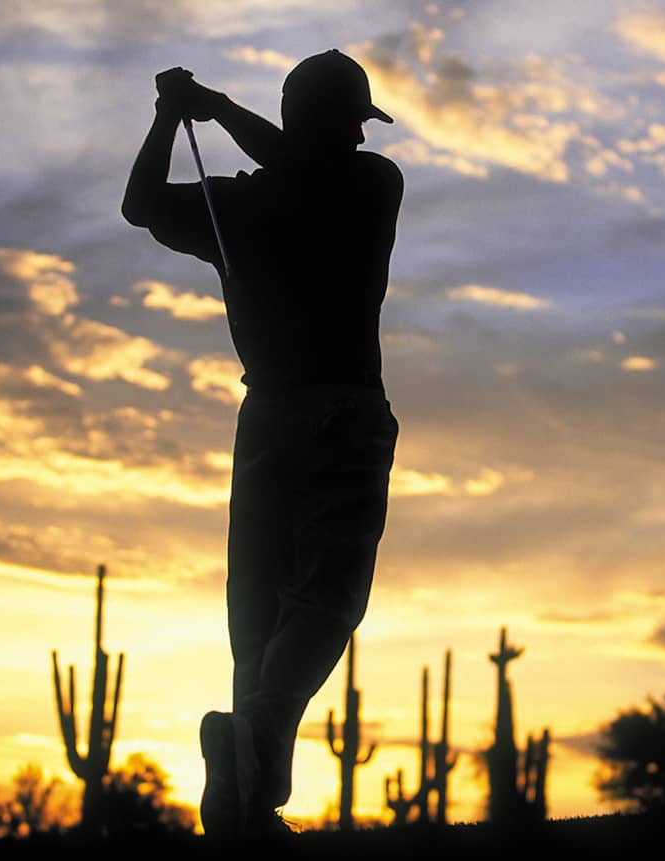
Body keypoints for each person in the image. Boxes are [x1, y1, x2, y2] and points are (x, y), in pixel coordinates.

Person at [121, 50, 403, 836]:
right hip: (341, 410)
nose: (357, 135)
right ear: (342, 123)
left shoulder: (247, 205)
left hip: (265, 423)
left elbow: (142, 202)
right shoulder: (370, 185)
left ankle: (249, 794)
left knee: (257, 611)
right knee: (324, 597)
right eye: (351, 120)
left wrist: (180, 113)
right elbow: (143, 204)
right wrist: (190, 112)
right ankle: (257, 746)